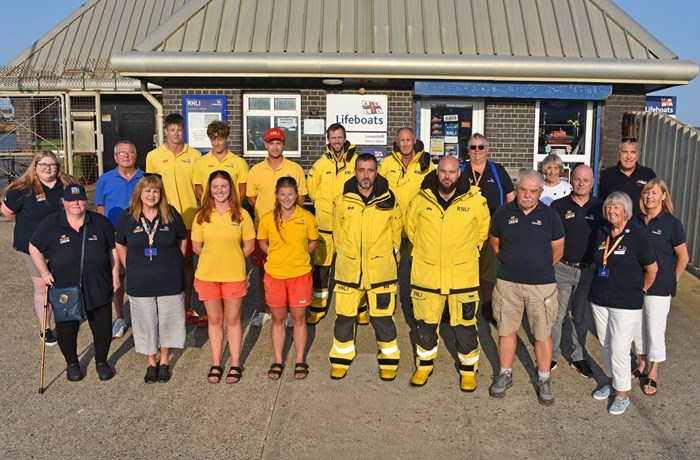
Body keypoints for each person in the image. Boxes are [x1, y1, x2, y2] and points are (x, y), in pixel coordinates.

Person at [405, 156, 490, 391]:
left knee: (464, 327)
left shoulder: (474, 201)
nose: (447, 176)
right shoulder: (421, 199)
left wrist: (467, 252)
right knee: (425, 324)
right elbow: (410, 229)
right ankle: (423, 366)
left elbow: (482, 232)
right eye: (443, 171)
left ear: (459, 174)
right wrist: (426, 252)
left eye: (452, 172)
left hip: (462, 277)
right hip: (427, 276)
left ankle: (467, 370)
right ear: (437, 171)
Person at [488, 170, 564, 406]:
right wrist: (513, 264)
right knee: (506, 330)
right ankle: (504, 374)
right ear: (517, 188)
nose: (528, 195)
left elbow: (558, 249)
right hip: (508, 283)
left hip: (541, 286)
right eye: (523, 190)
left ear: (541, 192)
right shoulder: (503, 213)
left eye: (533, 191)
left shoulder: (551, 216)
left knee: (542, 334)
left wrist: (537, 268)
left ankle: (543, 379)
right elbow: (495, 243)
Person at [28, 184, 118, 381]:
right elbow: (33, 247)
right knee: (67, 329)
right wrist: (43, 272)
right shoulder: (51, 224)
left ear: (86, 201)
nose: (76, 203)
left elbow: (112, 249)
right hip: (64, 287)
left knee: (102, 327)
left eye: (80, 199)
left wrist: (116, 274)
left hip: (98, 284)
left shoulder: (100, 222)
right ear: (64, 202)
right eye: (71, 200)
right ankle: (72, 363)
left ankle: (101, 362)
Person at [328, 153, 402, 381]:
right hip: (349, 271)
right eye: (361, 170)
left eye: (370, 170)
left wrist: (390, 256)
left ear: (376, 172)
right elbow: (337, 232)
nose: (366, 175)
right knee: (344, 317)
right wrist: (348, 256)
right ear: (355, 172)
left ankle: (389, 360)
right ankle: (341, 358)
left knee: (383, 318)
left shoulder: (389, 199)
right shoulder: (343, 200)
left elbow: (397, 232)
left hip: (381, 272)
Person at [589, 191, 657, 415]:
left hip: (626, 302)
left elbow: (652, 269)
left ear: (626, 210)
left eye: (617, 207)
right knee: (606, 344)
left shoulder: (638, 235)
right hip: (600, 298)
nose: (612, 210)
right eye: (609, 207)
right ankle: (611, 383)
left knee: (619, 348)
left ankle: (622, 394)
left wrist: (641, 290)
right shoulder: (602, 232)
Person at [115, 174, 187, 383]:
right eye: (147, 190)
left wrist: (176, 261)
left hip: (169, 279)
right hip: (140, 280)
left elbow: (182, 238)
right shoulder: (128, 216)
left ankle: (164, 360)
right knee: (145, 321)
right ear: (140, 192)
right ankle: (151, 361)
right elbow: (120, 243)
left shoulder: (170, 214)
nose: (151, 195)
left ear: (161, 193)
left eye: (155, 191)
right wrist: (129, 265)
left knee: (167, 320)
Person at [1, 151, 76, 346]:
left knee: (62, 283)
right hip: (33, 246)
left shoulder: (67, 186)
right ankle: (46, 328)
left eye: (51, 164)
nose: (47, 168)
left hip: (62, 243)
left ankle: (65, 318)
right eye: (42, 165)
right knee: (42, 285)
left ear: (57, 166)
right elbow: (8, 212)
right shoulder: (22, 189)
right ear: (35, 167)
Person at [192, 170, 255, 384]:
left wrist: (232, 257)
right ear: (209, 189)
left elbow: (249, 246)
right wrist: (214, 258)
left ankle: (235, 363)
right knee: (215, 320)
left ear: (231, 189)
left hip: (234, 275)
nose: (220, 190)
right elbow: (197, 246)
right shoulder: (202, 215)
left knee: (233, 320)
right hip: (208, 276)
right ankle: (216, 363)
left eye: (224, 186)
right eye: (215, 186)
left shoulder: (242, 215)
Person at [146, 113, 204, 328]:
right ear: (165, 131)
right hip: (163, 220)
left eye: (179, 129)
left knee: (188, 263)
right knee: (164, 264)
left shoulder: (195, 155)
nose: (176, 133)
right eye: (172, 130)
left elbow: (199, 189)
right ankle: (165, 307)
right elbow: (150, 189)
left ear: (184, 130)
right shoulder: (153, 156)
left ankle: (187, 306)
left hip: (189, 218)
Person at [258, 177, 319, 380]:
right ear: (276, 195)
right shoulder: (267, 219)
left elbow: (313, 241)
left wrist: (299, 255)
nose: (286, 198)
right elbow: (263, 243)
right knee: (278, 319)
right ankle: (278, 360)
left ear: (297, 195)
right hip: (275, 274)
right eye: (282, 194)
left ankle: (300, 360)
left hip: (299, 274)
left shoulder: (307, 217)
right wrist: (277, 257)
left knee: (299, 318)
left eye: (290, 194)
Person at [632, 179, 689, 396]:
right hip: (636, 285)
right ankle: (642, 363)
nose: (649, 197)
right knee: (637, 329)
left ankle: (654, 370)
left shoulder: (672, 224)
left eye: (654, 193)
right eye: (647, 193)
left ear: (663, 196)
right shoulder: (635, 221)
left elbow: (683, 257)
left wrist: (672, 280)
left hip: (660, 286)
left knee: (655, 329)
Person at [246, 127, 307, 327]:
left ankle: (289, 311)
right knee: (263, 272)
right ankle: (265, 310)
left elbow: (301, 197)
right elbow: (252, 198)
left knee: (291, 273)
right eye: (271, 143)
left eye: (278, 143)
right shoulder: (255, 170)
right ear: (265, 144)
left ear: (283, 144)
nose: (275, 146)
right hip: (264, 230)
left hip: (289, 230)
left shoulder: (294, 169)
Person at [550, 165, 604, 377]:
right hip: (562, 268)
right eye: (578, 179)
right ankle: (551, 356)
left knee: (580, 317)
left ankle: (578, 356)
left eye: (586, 180)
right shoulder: (558, 206)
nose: (581, 183)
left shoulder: (601, 207)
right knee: (556, 316)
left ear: (592, 183)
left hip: (587, 271)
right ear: (571, 180)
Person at [305, 123, 357, 325]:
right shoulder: (320, 165)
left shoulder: (355, 163)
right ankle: (318, 308)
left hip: (348, 226)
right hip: (325, 226)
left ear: (345, 138)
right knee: (322, 269)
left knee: (351, 268)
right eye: (333, 137)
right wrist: (324, 204)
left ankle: (355, 309)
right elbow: (312, 190)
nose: (336, 141)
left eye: (339, 137)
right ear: (328, 140)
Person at [461, 134, 515, 324]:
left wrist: (507, 224)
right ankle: (464, 305)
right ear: (468, 150)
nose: (477, 151)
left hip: (491, 231)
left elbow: (511, 196)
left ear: (487, 149)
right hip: (464, 233)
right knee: (464, 271)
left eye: (481, 147)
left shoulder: (497, 171)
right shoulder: (461, 171)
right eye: (473, 147)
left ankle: (487, 304)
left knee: (489, 272)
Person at [95, 140, 144, 338]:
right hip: (115, 239)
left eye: (130, 152)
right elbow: (100, 209)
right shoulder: (105, 180)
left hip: (141, 236)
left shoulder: (144, 179)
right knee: (118, 278)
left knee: (141, 277)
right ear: (115, 157)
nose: (126, 156)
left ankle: (142, 319)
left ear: (135, 156)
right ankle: (120, 317)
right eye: (122, 153)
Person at [598, 137, 656, 214]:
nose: (628, 157)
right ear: (618, 153)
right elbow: (601, 203)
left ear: (637, 155)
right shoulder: (607, 175)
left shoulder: (648, 174)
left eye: (633, 152)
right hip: (615, 224)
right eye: (625, 152)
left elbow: (655, 201)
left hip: (642, 224)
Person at [193, 120, 249, 201]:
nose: (216, 143)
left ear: (227, 139)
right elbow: (198, 189)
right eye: (213, 139)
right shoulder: (200, 162)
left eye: (219, 139)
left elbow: (243, 191)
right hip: (209, 210)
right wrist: (210, 205)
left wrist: (231, 206)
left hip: (232, 210)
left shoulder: (240, 163)